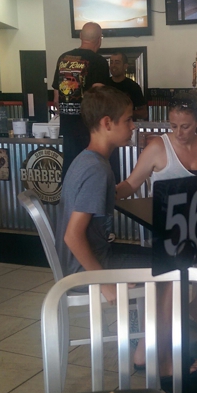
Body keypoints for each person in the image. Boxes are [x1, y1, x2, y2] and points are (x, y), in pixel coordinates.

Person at [115, 91, 197, 383]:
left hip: (195, 234)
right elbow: (132, 184)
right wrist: (104, 194)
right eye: (173, 126)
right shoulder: (159, 147)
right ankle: (164, 355)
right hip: (164, 236)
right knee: (173, 275)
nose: (178, 133)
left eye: (185, 126)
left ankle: (151, 347)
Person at [55, 86, 135, 304]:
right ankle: (143, 339)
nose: (133, 126)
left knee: (159, 263)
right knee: (168, 272)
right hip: (85, 271)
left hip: (82, 265)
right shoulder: (97, 170)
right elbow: (72, 236)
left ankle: (139, 332)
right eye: (128, 120)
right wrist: (104, 283)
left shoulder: (86, 159)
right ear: (107, 123)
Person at [52, 22, 110, 180]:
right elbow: (99, 98)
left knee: (70, 172)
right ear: (99, 40)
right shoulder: (99, 62)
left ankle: (69, 204)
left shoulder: (63, 59)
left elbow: (56, 99)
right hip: (90, 130)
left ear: (80, 37)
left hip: (68, 127)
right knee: (91, 173)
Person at [107, 51, 148, 120]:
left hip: (127, 126)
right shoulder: (104, 85)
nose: (113, 65)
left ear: (125, 66)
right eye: (111, 62)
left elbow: (144, 113)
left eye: (117, 62)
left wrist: (125, 113)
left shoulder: (133, 87)